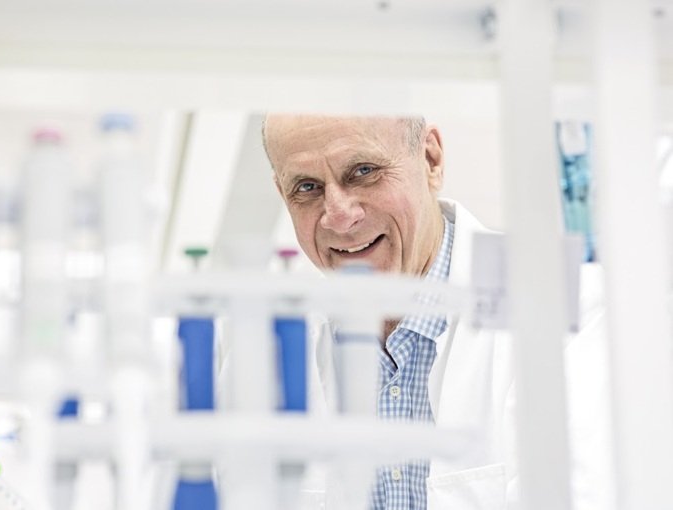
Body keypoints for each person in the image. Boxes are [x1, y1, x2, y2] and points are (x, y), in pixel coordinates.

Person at [261, 114, 611, 510]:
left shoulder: (568, 305)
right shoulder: (263, 350)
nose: (339, 215)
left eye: (363, 171)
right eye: (307, 187)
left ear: (430, 160)